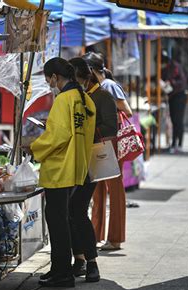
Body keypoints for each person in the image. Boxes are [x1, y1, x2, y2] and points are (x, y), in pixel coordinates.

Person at [30, 57, 96, 287]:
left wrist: (34, 148)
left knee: (57, 222)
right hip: (77, 165)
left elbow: (57, 136)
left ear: (56, 77)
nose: (49, 83)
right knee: (61, 220)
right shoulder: (85, 99)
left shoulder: (63, 100)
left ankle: (63, 273)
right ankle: (60, 269)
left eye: (49, 79)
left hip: (59, 168)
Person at [67, 57, 119, 281]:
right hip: (72, 159)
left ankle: (91, 262)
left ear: (84, 77)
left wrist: (85, 127)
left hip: (92, 160)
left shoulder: (103, 96)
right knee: (70, 211)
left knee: (77, 208)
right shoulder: (74, 96)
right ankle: (79, 258)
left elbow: (111, 128)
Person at [82, 52, 128, 251]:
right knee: (98, 190)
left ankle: (115, 238)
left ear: (90, 71)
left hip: (111, 141)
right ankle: (96, 234)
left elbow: (128, 111)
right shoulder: (98, 87)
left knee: (114, 190)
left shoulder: (108, 86)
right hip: (101, 141)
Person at [161, 51, 188, 153]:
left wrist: (171, 82)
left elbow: (182, 82)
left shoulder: (175, 67)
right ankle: (173, 144)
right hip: (172, 97)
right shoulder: (166, 69)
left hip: (180, 96)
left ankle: (179, 144)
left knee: (178, 121)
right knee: (173, 120)